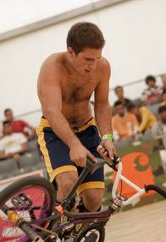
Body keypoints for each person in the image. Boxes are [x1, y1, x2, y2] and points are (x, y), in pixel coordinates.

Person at [37, 22, 115, 213]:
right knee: (68, 181)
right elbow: (52, 111)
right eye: (88, 59)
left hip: (87, 130)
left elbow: (102, 104)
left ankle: (76, 229)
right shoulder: (53, 66)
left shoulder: (102, 67)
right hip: (55, 132)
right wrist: (73, 144)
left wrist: (107, 138)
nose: (93, 65)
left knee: (95, 198)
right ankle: (55, 225)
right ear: (71, 52)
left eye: (98, 58)